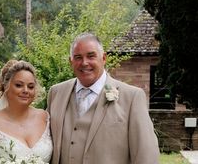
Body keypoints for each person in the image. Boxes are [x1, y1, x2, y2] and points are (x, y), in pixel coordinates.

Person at [48, 33, 160, 164]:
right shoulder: (55, 93)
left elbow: (145, 154)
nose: (84, 63)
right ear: (70, 61)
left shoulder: (132, 97)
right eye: (78, 57)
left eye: (91, 56)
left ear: (104, 58)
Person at [0, 60, 53, 164]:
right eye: (19, 85)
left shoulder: (45, 117)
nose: (26, 90)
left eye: (31, 86)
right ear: (6, 86)